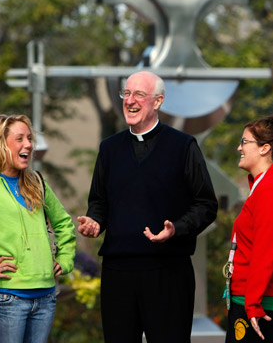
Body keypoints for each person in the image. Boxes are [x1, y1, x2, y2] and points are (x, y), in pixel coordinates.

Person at [78, 71, 218, 343]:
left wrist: (176, 229)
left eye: (139, 94)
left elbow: (206, 204)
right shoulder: (109, 149)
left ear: (158, 102)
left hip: (168, 273)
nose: (129, 100)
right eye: (126, 93)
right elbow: (99, 202)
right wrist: (96, 221)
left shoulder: (183, 146)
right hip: (118, 274)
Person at [0, 114, 76, 343]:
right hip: (6, 298)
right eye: (20, 138)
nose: (29, 145)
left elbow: (64, 222)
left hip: (45, 297)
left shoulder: (37, 182)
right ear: (0, 144)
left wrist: (65, 260)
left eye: (30, 138)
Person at [223, 111, 273, 343]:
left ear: (264, 148)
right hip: (253, 298)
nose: (239, 148)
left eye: (244, 142)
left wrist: (253, 303)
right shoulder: (263, 186)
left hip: (266, 302)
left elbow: (264, 252)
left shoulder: (272, 190)